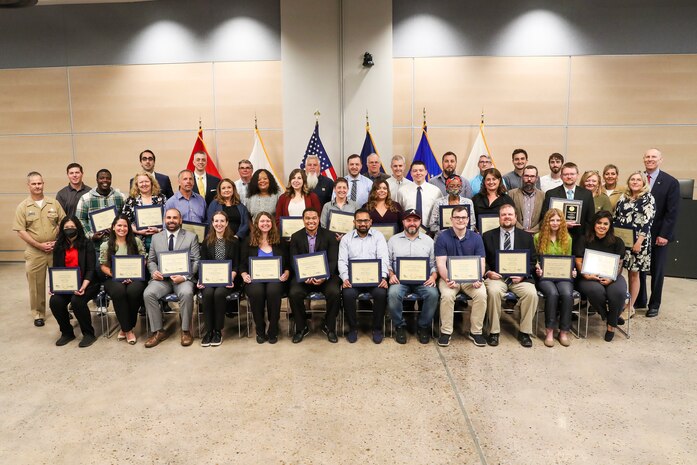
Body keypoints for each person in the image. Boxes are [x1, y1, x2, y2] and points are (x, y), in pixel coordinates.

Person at [13, 171, 66, 327]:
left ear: (43, 184)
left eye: (40, 183)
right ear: (28, 185)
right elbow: (20, 230)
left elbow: (63, 222)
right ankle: (38, 313)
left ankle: (63, 309)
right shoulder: (23, 206)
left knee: (61, 280)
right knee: (36, 284)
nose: (37, 186)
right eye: (34, 184)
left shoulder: (53, 204)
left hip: (55, 249)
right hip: (35, 252)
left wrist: (56, 240)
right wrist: (39, 245)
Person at [482, 204, 539, 348]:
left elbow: (533, 260)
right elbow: (482, 259)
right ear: (499, 218)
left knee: (531, 294)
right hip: (497, 277)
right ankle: (494, 332)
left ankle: (525, 332)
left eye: (510, 214)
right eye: (503, 215)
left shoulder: (526, 237)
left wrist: (523, 275)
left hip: (519, 278)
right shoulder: (488, 236)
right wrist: (488, 272)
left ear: (515, 217)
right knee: (493, 292)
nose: (507, 217)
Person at [143, 208, 200, 348]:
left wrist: (185, 276)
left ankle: (186, 330)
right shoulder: (156, 238)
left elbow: (196, 260)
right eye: (169, 218)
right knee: (148, 293)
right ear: (164, 220)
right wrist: (154, 272)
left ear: (180, 220)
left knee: (187, 293)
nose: (172, 220)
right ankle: (158, 331)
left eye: (175, 218)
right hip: (163, 280)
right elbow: (151, 260)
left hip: (182, 279)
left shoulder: (191, 236)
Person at [434, 206, 487, 347]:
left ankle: (476, 332)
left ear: (468, 219)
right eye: (457, 217)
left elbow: (482, 262)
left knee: (481, 294)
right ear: (451, 219)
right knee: (447, 295)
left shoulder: (476, 238)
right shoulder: (442, 237)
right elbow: (440, 264)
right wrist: (447, 279)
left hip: (471, 279)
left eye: (463, 217)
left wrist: (479, 278)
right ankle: (446, 332)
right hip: (449, 278)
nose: (460, 220)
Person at [637, 148, 680, 318]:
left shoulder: (670, 182)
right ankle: (640, 299)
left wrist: (665, 235)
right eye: (647, 156)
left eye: (653, 157)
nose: (650, 159)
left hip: (658, 235)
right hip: (640, 234)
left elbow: (672, 212)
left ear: (660, 160)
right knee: (638, 268)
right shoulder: (638, 179)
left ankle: (654, 304)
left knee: (657, 270)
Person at [288, 208, 342, 343]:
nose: (311, 221)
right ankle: (301, 327)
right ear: (303, 220)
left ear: (318, 219)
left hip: (326, 277)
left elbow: (333, 260)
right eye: (307, 218)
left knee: (335, 292)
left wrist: (324, 276)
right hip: (304, 278)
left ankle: (329, 327)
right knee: (294, 293)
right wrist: (304, 277)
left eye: (314, 218)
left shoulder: (330, 236)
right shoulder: (296, 236)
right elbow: (293, 260)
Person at [386, 209, 438, 345]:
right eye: (408, 220)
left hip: (423, 281)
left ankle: (423, 326)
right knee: (393, 293)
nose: (412, 223)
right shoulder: (393, 240)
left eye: (415, 220)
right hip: (400, 280)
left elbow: (434, 264)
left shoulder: (428, 241)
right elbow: (388, 263)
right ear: (403, 222)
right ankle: (400, 326)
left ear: (420, 222)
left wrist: (433, 276)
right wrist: (391, 274)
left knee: (433, 294)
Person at [338, 209, 389, 344]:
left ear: (370, 222)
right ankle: (353, 328)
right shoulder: (346, 239)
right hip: (354, 280)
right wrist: (345, 279)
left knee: (381, 293)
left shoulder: (379, 236)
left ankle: (377, 329)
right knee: (347, 294)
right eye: (359, 221)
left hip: (375, 280)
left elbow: (384, 258)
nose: (363, 224)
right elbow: (342, 261)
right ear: (354, 222)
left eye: (366, 221)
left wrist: (383, 277)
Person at [574, 211, 627, 342]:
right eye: (599, 223)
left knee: (618, 291)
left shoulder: (617, 242)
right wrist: (586, 275)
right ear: (594, 224)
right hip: (588, 276)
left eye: (605, 224)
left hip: (612, 275)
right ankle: (610, 318)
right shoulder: (583, 239)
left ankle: (611, 327)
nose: (602, 226)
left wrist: (612, 277)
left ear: (610, 226)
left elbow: (619, 265)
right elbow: (578, 261)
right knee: (595, 290)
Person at [240, 211, 290, 344]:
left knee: (273, 291)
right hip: (254, 279)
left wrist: (287, 272)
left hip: (276, 279)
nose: (265, 223)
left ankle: (273, 328)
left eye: (268, 221)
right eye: (262, 221)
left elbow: (288, 263)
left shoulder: (280, 240)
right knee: (256, 292)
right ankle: (260, 329)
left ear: (272, 223)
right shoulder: (248, 241)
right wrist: (244, 274)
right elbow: (242, 263)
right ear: (257, 224)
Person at [49, 216, 99, 348]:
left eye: (72, 227)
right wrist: (54, 286)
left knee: (77, 301)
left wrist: (83, 286)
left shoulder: (87, 244)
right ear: (62, 230)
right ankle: (67, 332)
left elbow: (90, 269)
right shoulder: (59, 246)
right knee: (55, 301)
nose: (69, 230)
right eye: (66, 228)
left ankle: (88, 334)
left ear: (77, 228)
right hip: (67, 284)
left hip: (87, 283)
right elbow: (56, 268)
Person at [99, 215, 147, 345]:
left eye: (125, 225)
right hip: (113, 278)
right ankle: (128, 330)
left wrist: (132, 275)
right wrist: (117, 276)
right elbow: (103, 265)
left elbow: (144, 260)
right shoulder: (105, 245)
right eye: (119, 225)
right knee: (119, 292)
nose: (122, 228)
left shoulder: (136, 242)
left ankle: (125, 328)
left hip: (135, 277)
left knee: (133, 291)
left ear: (129, 228)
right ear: (113, 227)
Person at [615, 172, 655, 320]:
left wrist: (639, 242)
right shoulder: (623, 197)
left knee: (633, 274)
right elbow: (616, 217)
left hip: (638, 243)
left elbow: (648, 222)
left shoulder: (648, 198)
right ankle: (616, 301)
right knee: (617, 271)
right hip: (621, 241)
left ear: (643, 182)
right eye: (632, 179)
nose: (635, 182)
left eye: (638, 179)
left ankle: (630, 306)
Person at [534, 209, 576, 348]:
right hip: (545, 276)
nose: (555, 223)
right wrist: (537, 268)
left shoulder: (568, 238)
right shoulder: (538, 237)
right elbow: (535, 259)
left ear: (562, 222)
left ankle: (563, 332)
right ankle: (550, 332)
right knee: (552, 294)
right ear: (547, 222)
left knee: (567, 294)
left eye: (558, 220)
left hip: (562, 276)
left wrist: (573, 271)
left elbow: (569, 260)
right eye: (552, 220)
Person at [197, 211, 239, 347]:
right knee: (208, 294)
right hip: (210, 279)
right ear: (212, 223)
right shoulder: (206, 242)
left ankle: (218, 331)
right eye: (216, 221)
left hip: (229, 279)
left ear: (226, 223)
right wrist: (201, 279)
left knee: (219, 293)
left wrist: (231, 277)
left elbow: (237, 264)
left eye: (222, 221)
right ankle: (209, 331)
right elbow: (202, 263)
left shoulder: (234, 242)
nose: (219, 224)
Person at [541, 162, 595, 244]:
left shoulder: (587, 194)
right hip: (556, 238)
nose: (569, 177)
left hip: (580, 239)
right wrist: (561, 224)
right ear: (561, 176)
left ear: (577, 175)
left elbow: (590, 219)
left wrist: (586, 238)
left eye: (572, 174)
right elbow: (545, 216)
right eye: (566, 174)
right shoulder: (551, 194)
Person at [75, 168, 126, 249]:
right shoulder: (86, 198)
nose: (105, 180)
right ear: (97, 180)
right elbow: (80, 219)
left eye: (108, 178)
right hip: (95, 247)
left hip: (117, 245)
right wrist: (91, 235)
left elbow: (125, 218)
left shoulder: (120, 197)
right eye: (102, 178)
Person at [122, 171, 166, 252]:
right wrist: (138, 230)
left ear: (152, 183)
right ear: (137, 185)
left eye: (146, 181)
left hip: (159, 239)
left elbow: (167, 218)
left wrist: (159, 230)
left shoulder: (161, 198)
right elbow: (125, 221)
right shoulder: (130, 201)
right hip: (138, 241)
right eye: (141, 182)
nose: (144, 184)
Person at [396, 161, 442, 230]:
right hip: (409, 230)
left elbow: (439, 213)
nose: (418, 173)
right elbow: (398, 213)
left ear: (426, 172)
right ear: (411, 173)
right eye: (415, 171)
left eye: (421, 170)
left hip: (430, 231)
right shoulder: (402, 191)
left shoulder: (436, 191)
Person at [508, 165, 545, 233]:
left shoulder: (543, 196)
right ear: (522, 177)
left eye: (532, 176)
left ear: (537, 178)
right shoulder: (511, 194)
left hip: (536, 235)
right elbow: (509, 214)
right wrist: (521, 230)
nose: (529, 179)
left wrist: (534, 230)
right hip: (517, 233)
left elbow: (545, 217)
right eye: (526, 176)